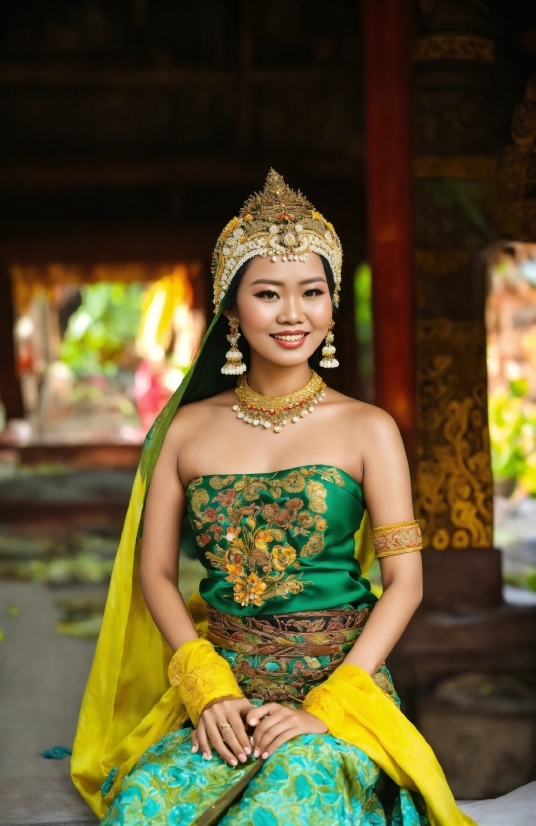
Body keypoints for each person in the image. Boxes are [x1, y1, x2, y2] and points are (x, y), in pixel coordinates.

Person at [72, 170, 475, 826]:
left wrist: (329, 706)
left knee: (279, 806)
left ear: (332, 303)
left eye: (312, 292)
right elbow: (155, 574)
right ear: (232, 310)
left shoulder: (369, 429)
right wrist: (207, 691)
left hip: (341, 686)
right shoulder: (187, 430)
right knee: (140, 806)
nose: (293, 315)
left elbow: (405, 582)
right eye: (268, 294)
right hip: (225, 681)